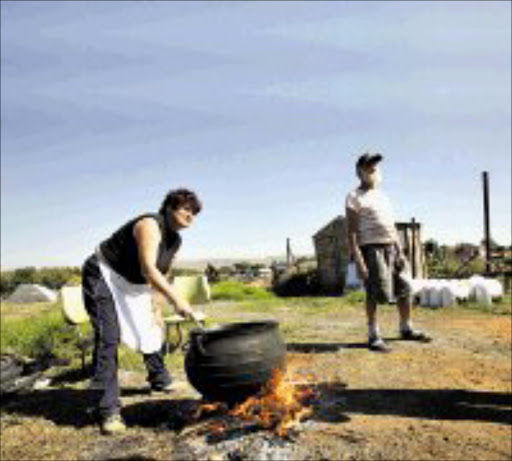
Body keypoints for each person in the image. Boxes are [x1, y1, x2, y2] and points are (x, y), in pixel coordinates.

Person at [81, 188, 202, 434]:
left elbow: (162, 273)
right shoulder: (149, 225)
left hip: (133, 283)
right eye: (186, 209)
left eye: (195, 213)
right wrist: (177, 299)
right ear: (169, 207)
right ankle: (108, 410)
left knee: (150, 329)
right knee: (109, 338)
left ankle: (159, 379)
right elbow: (149, 269)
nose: (191, 216)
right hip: (104, 274)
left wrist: (157, 309)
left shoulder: (175, 240)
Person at [345, 153, 431, 352]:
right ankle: (373, 335)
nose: (374, 169)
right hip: (372, 249)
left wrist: (400, 250)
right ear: (360, 171)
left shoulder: (382, 195)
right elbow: (351, 234)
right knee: (374, 292)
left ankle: (406, 328)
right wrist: (359, 261)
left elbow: (390, 226)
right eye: (369, 166)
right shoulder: (353, 197)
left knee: (405, 288)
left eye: (375, 166)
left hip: (393, 247)